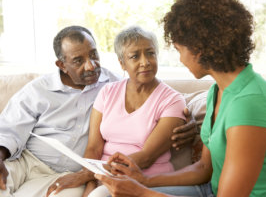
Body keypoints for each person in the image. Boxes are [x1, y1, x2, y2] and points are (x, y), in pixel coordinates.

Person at [95, 0, 266, 197]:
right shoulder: (218, 91)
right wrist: (144, 180)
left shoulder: (249, 104)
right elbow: (203, 168)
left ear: (198, 50)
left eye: (180, 50)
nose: (180, 59)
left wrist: (142, 193)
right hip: (210, 189)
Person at [0, 25, 197, 197]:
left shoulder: (109, 84)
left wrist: (191, 122)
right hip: (27, 162)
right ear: (62, 65)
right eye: (78, 60)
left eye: (94, 55)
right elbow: (7, 128)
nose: (91, 66)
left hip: (81, 173)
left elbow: (148, 148)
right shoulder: (39, 90)